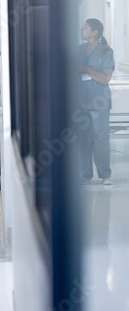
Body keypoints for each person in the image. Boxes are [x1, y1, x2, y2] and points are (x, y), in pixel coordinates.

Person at [78, 18, 114, 185]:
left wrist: (86, 69)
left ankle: (105, 174)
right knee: (83, 138)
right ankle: (85, 174)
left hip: (99, 101)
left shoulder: (105, 51)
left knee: (100, 137)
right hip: (81, 100)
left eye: (86, 28)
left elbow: (105, 78)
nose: (82, 29)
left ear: (95, 32)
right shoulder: (78, 50)